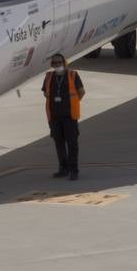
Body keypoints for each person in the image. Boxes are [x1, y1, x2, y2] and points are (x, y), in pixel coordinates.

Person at [41, 52, 85, 181]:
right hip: (54, 117)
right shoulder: (49, 77)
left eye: (59, 62)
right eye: (54, 63)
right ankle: (63, 168)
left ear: (64, 63)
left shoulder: (73, 75)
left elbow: (81, 92)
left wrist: (73, 103)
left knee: (72, 144)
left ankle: (73, 170)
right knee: (59, 143)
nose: (57, 65)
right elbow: (45, 93)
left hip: (69, 117)